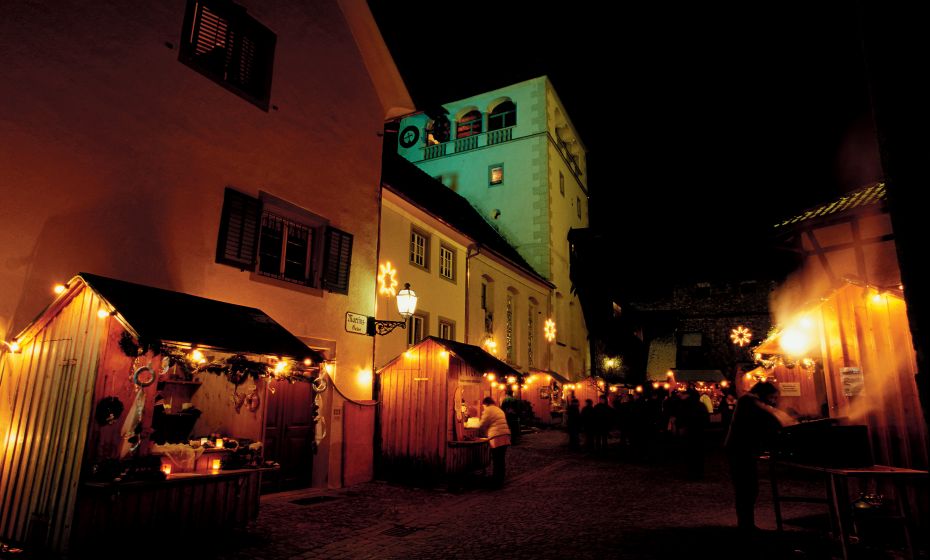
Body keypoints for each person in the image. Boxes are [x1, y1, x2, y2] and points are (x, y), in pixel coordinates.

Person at [725, 382, 795, 535]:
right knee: (746, 489)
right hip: (739, 451)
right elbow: (769, 416)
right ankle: (745, 526)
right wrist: (786, 420)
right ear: (763, 393)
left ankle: (746, 524)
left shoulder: (751, 402)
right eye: (772, 397)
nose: (773, 401)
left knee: (748, 489)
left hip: (743, 451)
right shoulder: (748, 401)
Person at [479, 396, 512, 488]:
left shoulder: (488, 410)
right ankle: (500, 479)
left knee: (497, 459)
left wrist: (475, 425)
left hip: (496, 437)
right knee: (501, 459)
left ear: (485, 404)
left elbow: (482, 423)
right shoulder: (498, 410)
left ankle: (496, 481)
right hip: (505, 436)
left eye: (483, 406)